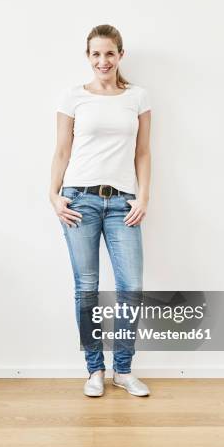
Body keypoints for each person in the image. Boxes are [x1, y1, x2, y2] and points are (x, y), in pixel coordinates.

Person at [50, 24, 152, 398]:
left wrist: (143, 197)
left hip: (122, 203)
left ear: (120, 55)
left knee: (131, 288)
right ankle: (94, 369)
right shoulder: (73, 97)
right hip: (79, 201)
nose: (102, 60)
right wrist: (53, 195)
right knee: (87, 289)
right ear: (88, 57)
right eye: (95, 54)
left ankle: (123, 370)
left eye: (109, 53)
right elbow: (62, 151)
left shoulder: (138, 97)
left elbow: (143, 152)